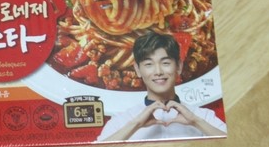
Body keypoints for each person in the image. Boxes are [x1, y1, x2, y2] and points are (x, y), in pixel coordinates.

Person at [97, 31, 227, 141]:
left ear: (179, 66)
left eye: (165, 63)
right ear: (137, 70)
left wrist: (196, 122)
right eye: (149, 64)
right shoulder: (122, 120)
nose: (158, 72)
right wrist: (136, 124)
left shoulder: (203, 116)